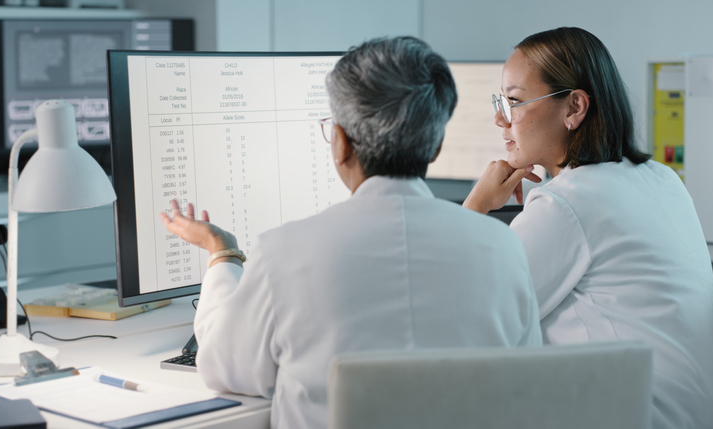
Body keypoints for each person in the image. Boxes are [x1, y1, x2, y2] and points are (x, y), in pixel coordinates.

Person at [160, 36, 542, 429]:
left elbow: (225, 367)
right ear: (436, 146)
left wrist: (222, 254)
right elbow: (524, 379)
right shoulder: (502, 247)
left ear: (340, 143)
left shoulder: (285, 253)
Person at [463, 27, 713, 429]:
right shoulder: (660, 177)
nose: (500, 118)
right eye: (500, 100)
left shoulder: (567, 203)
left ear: (574, 108)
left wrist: (476, 205)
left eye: (514, 101)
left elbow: (465, 315)